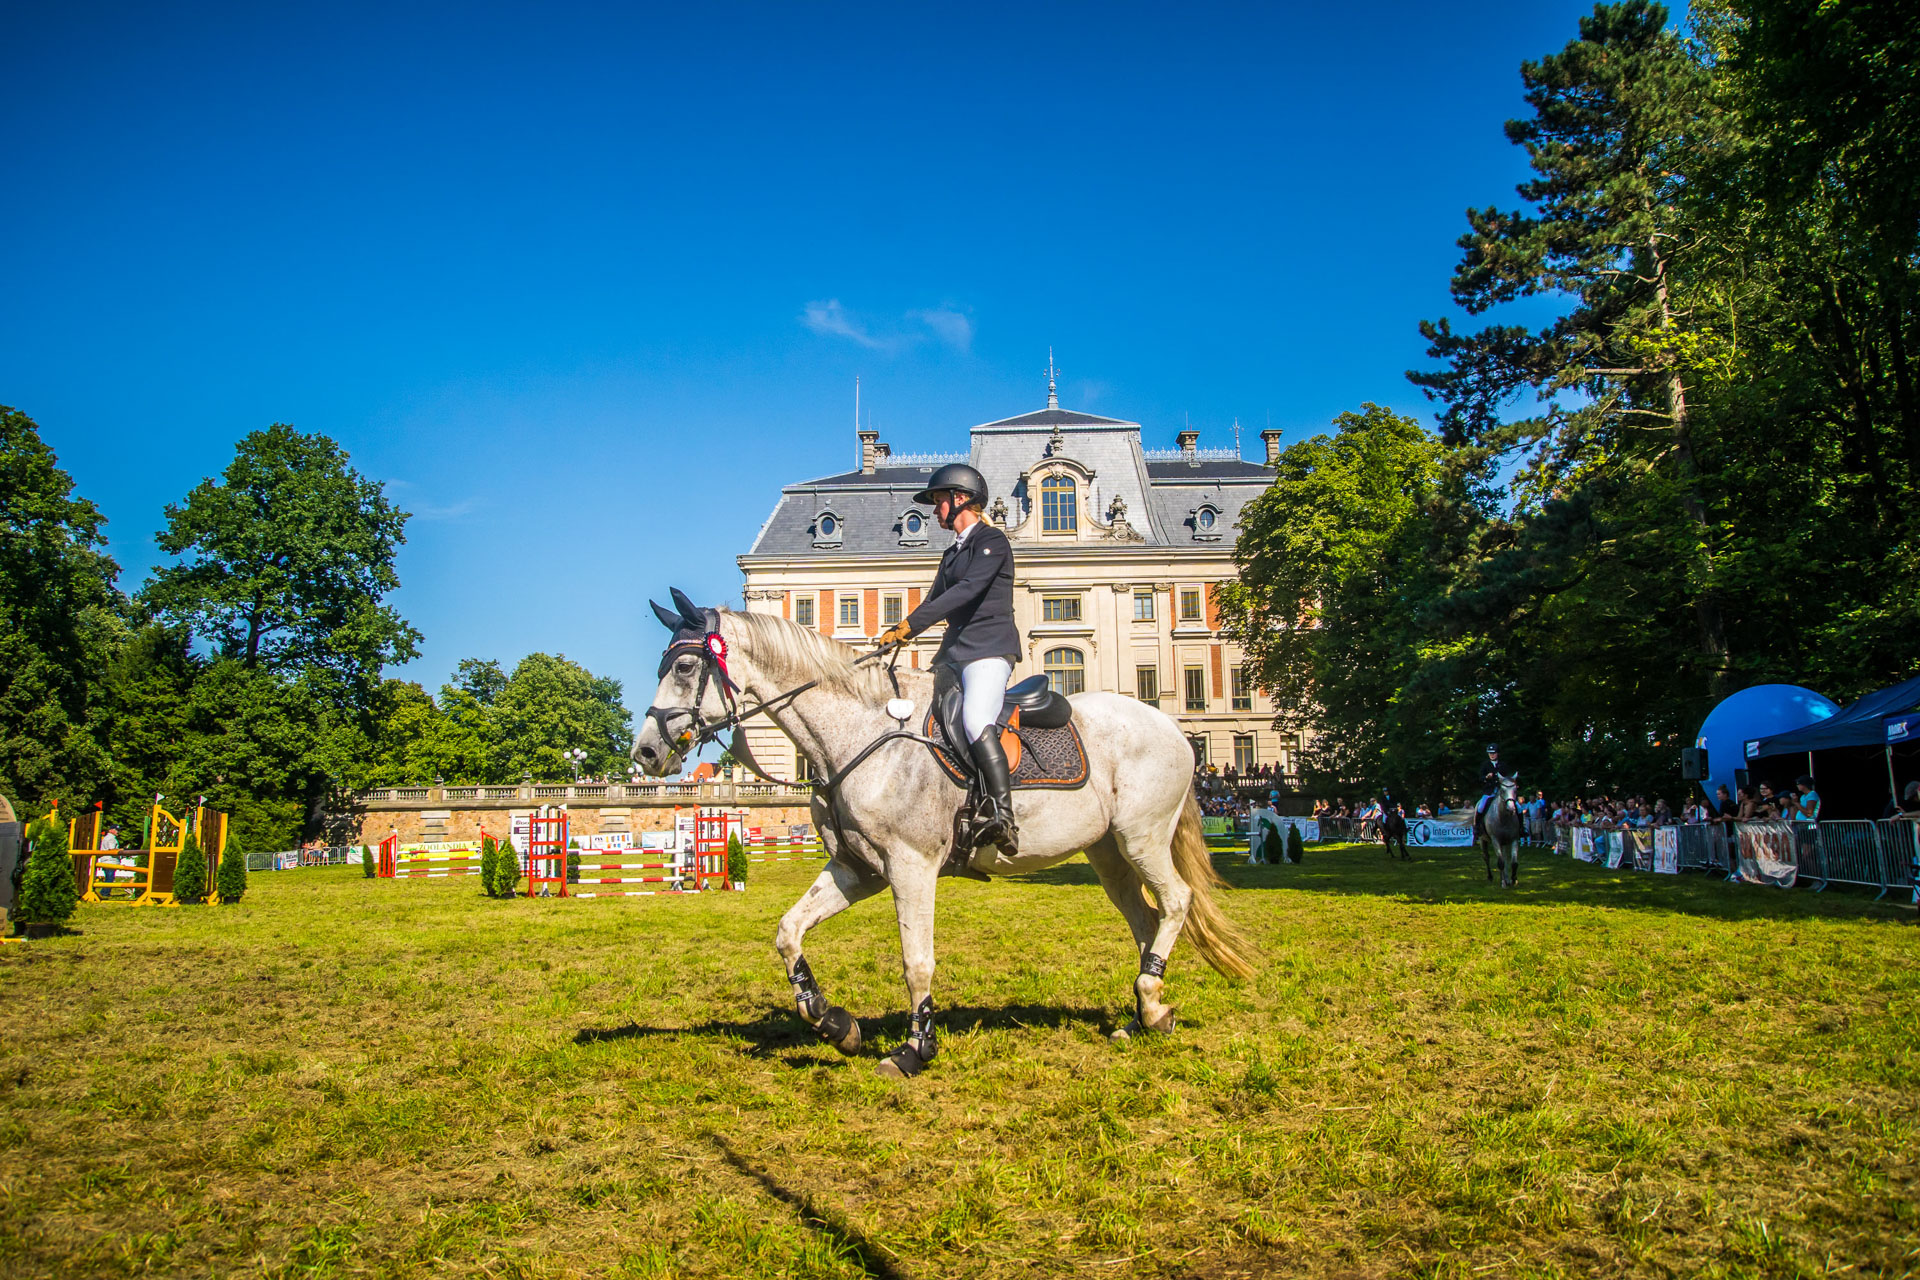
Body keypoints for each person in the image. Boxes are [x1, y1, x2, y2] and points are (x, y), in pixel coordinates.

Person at [878, 462, 1023, 857]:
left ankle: (1002, 815)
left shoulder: (992, 542)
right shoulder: (950, 554)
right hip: (955, 653)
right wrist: (897, 634)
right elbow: (933, 601)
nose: (935, 508)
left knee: (976, 719)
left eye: (939, 500)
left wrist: (911, 624)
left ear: (961, 500)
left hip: (989, 649)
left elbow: (966, 593)